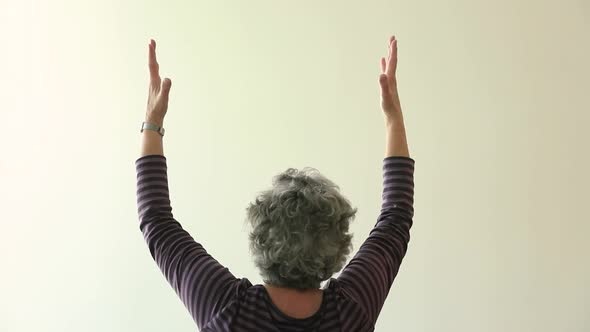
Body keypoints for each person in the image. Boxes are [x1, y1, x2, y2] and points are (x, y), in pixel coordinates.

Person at [135, 35, 414, 331]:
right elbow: (395, 221)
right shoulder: (350, 312)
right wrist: (393, 119)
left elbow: (156, 222)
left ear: (261, 236)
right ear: (336, 244)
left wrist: (152, 122)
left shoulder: (227, 308)